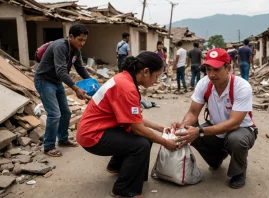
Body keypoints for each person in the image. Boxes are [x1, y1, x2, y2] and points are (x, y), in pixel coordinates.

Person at [76, 52, 177, 198]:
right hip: (92, 135)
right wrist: (166, 142)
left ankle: (117, 167)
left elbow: (133, 120)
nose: (156, 81)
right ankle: (124, 190)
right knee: (141, 143)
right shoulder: (127, 88)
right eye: (156, 76)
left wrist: (160, 128)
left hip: (95, 129)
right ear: (145, 71)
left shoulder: (124, 79)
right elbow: (138, 129)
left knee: (144, 135)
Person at [172, 48, 257, 189]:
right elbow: (193, 113)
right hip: (215, 127)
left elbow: (234, 123)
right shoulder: (204, 84)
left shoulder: (241, 87)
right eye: (208, 69)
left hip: (241, 129)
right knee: (188, 134)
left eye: (216, 70)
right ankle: (216, 159)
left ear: (228, 68)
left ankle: (239, 172)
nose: (211, 74)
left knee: (236, 140)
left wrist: (199, 131)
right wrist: (183, 126)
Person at [34, 24, 91, 157]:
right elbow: (61, 71)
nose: (82, 43)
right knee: (54, 114)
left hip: (56, 82)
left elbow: (80, 68)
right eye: (80, 39)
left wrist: (92, 83)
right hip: (44, 80)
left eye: (84, 40)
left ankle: (63, 139)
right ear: (71, 36)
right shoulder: (60, 46)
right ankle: (48, 147)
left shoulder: (76, 49)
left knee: (66, 112)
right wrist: (76, 88)